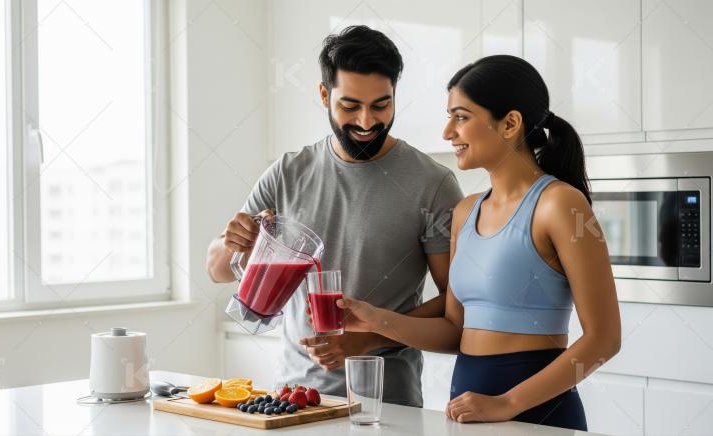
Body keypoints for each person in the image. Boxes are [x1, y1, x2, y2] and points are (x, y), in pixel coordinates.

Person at [336, 55, 621, 430]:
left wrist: (507, 403)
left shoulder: (559, 204)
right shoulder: (465, 212)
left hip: (539, 417)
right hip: (468, 414)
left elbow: (604, 339)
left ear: (510, 124)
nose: (447, 132)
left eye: (461, 117)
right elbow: (455, 329)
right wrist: (377, 321)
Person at [205, 25, 463, 407]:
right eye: (349, 106)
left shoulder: (432, 183)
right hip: (293, 402)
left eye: (381, 105)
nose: (365, 122)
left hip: (388, 408)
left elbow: (455, 304)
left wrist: (372, 336)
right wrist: (234, 241)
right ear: (324, 95)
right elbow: (218, 269)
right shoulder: (287, 173)